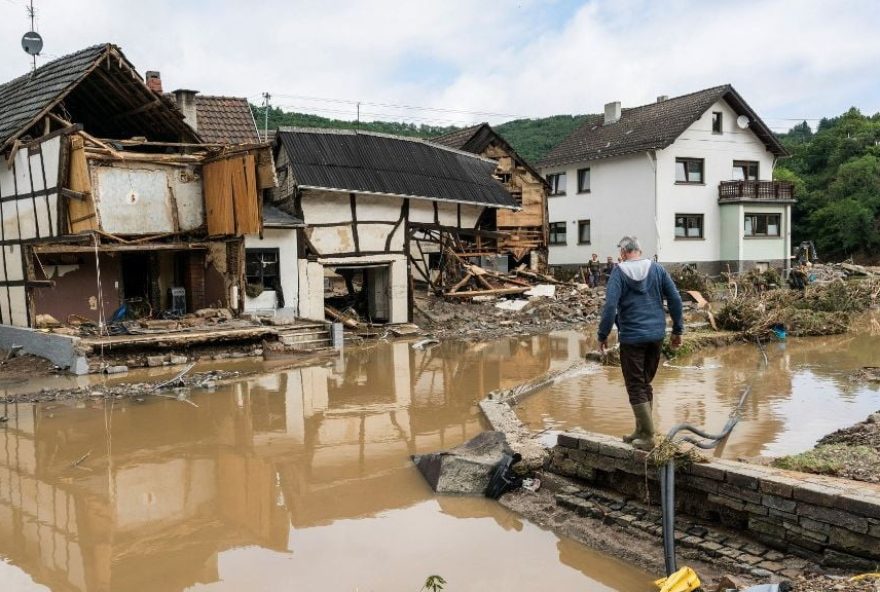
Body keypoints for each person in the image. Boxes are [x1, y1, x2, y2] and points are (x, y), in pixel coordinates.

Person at [597, 236, 684, 450]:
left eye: (620, 253)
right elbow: (675, 299)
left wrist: (602, 335)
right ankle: (641, 429)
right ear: (639, 250)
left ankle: (647, 436)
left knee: (635, 385)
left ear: (624, 252)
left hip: (632, 338)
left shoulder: (618, 272)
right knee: (645, 383)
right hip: (656, 335)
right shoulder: (657, 269)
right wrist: (678, 330)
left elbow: (610, 307)